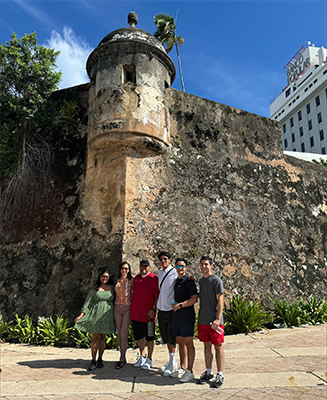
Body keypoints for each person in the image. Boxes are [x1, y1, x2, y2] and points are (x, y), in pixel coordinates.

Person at [74, 270, 115, 371]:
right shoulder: (95, 289)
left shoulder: (112, 289)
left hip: (107, 316)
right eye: (103, 276)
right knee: (95, 338)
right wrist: (81, 315)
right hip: (95, 315)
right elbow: (88, 303)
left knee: (102, 338)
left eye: (106, 276)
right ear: (99, 277)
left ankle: (100, 358)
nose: (105, 278)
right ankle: (93, 360)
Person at [197, 256, 225, 388]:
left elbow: (220, 300)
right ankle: (209, 372)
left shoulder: (216, 280)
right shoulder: (201, 281)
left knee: (218, 346)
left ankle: (220, 374)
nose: (204, 267)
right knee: (206, 345)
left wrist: (218, 319)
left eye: (206, 264)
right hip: (203, 320)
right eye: (202, 264)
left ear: (211, 266)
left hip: (215, 321)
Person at [171, 257, 198, 383]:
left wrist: (180, 305)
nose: (180, 268)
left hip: (187, 316)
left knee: (188, 343)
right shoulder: (177, 280)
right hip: (177, 316)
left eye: (182, 266)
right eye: (178, 266)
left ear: (186, 268)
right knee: (180, 342)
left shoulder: (189, 281)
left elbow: (194, 299)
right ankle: (182, 367)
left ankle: (190, 370)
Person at [130, 259, 159, 370]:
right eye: (142, 266)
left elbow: (157, 297)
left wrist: (153, 310)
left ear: (149, 267)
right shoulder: (136, 278)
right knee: (139, 337)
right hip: (135, 314)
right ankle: (142, 356)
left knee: (150, 337)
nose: (143, 268)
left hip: (148, 315)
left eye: (145, 266)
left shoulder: (153, 279)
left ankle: (149, 359)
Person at [156, 251, 178, 376]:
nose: (163, 261)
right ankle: (171, 361)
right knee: (165, 336)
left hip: (171, 309)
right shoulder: (159, 272)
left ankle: (173, 362)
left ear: (169, 260)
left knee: (172, 336)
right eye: (161, 259)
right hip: (161, 308)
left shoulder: (174, 272)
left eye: (165, 259)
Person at [114, 261, 133, 369]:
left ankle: (122, 357)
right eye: (122, 268)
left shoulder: (131, 280)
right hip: (117, 308)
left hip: (127, 308)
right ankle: (122, 356)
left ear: (129, 270)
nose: (124, 270)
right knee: (119, 334)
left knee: (123, 334)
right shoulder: (116, 279)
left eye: (126, 268)